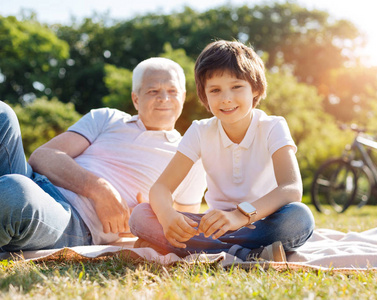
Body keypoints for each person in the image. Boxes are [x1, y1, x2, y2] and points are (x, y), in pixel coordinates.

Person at [129, 40, 314, 262]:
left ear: (255, 88)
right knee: (141, 215)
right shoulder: (200, 130)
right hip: (213, 227)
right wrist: (168, 217)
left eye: (236, 87)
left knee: (299, 217)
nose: (226, 98)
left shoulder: (272, 126)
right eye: (215, 90)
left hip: (261, 222)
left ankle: (195, 249)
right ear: (204, 96)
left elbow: (291, 188)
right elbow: (160, 188)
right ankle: (247, 255)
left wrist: (239, 216)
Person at [0, 57, 206, 252]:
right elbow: (43, 156)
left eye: (172, 90)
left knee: (15, 190)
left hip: (74, 222)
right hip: (37, 181)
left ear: (183, 97)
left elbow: (184, 228)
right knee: (3, 113)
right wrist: (99, 189)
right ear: (136, 98)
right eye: (153, 91)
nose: (164, 98)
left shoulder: (189, 156)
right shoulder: (106, 118)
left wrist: (147, 216)